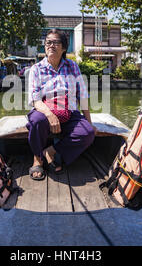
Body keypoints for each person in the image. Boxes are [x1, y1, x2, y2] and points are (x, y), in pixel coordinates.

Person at [26, 28, 96, 180]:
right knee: (36, 121)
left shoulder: (73, 67)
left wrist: (89, 123)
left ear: (64, 47)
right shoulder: (36, 69)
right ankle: (37, 159)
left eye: (55, 42)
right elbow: (35, 99)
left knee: (87, 133)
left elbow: (82, 96)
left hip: (69, 112)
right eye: (48, 42)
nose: (50, 45)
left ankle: (50, 151)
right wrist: (49, 114)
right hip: (44, 110)